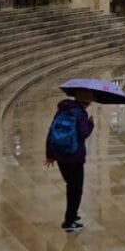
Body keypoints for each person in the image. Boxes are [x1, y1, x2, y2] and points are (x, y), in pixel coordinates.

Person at [45, 88, 95, 232]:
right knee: (76, 189)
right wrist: (91, 123)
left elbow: (51, 131)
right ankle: (69, 221)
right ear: (86, 102)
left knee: (71, 185)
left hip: (60, 155)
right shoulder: (81, 113)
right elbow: (84, 133)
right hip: (75, 157)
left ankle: (72, 214)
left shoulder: (61, 110)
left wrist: (50, 155)